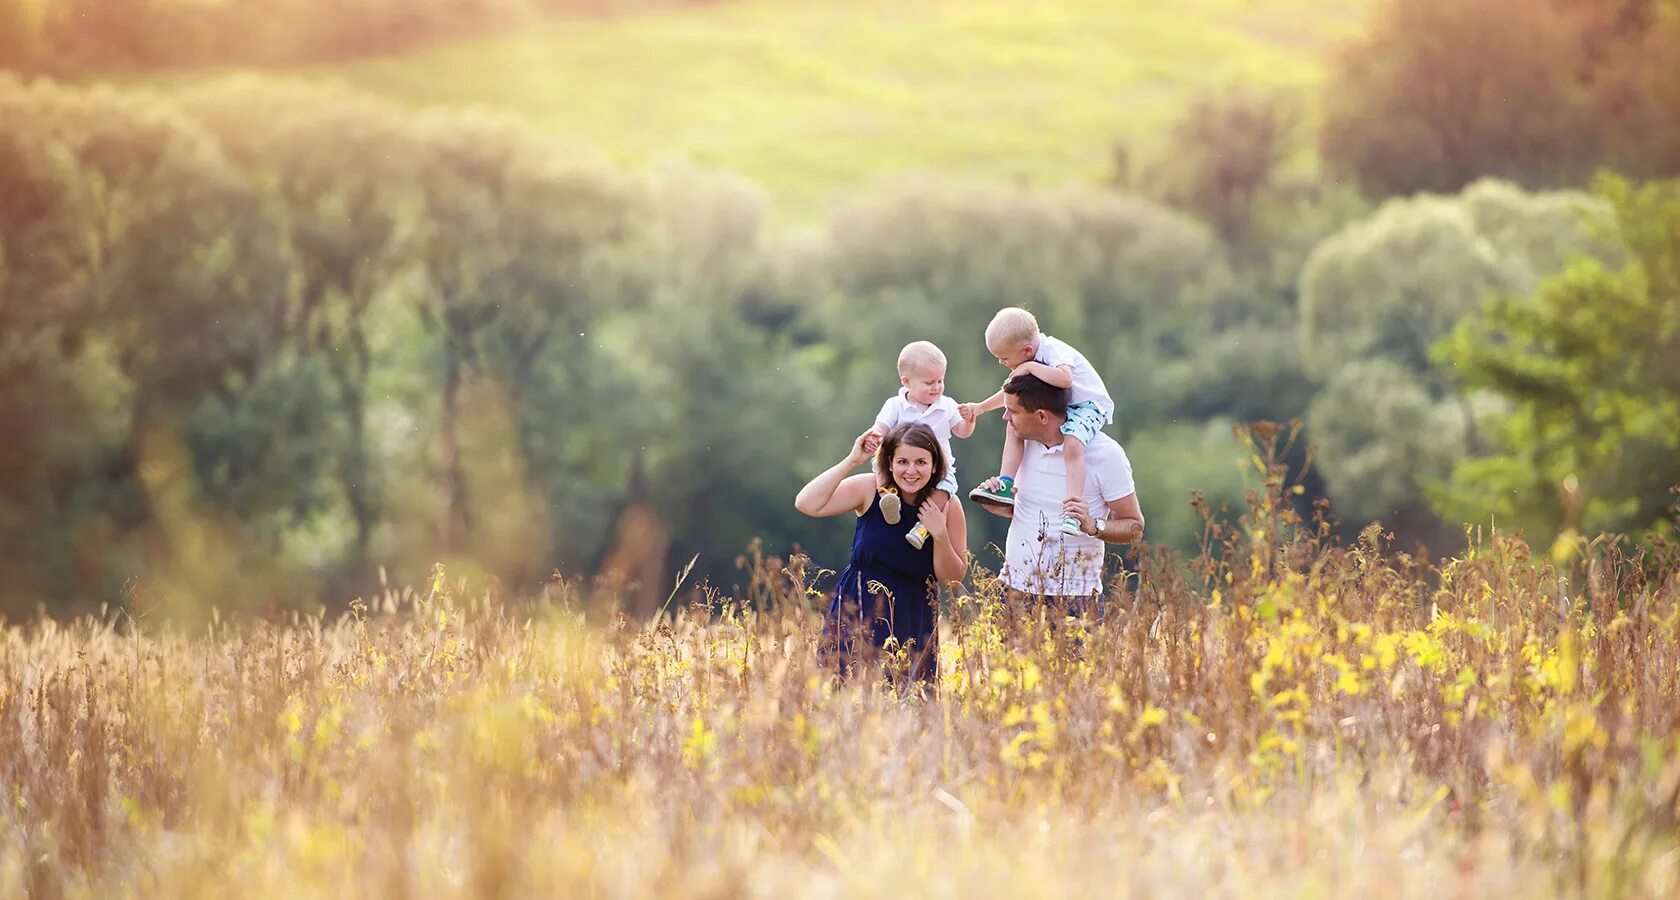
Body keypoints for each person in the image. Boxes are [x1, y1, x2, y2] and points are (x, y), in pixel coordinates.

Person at [795, 423, 969, 679]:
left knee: (906, 704)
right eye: (902, 462)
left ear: (934, 466)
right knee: (842, 697)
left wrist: (940, 534)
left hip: (912, 616)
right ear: (889, 463)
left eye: (921, 462)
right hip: (857, 610)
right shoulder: (870, 489)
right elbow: (807, 503)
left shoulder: (947, 505)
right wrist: (852, 460)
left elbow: (953, 580)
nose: (911, 471)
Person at [972, 373, 1142, 612]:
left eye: (1013, 411)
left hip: (1076, 599)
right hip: (1012, 592)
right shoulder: (1020, 446)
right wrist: (999, 504)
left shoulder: (1106, 454)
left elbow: (1134, 527)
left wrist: (1093, 525)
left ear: (1041, 416)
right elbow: (1031, 512)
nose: (1005, 416)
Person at [959, 307, 1115, 537]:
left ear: (1027, 350)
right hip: (1061, 406)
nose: (1002, 363)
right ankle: (1005, 484)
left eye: (1004, 358)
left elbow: (1065, 379)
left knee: (1072, 444)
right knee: (1013, 425)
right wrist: (980, 408)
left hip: (1088, 406)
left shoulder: (1053, 352)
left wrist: (1030, 367)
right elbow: (1010, 394)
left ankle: (1072, 510)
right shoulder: (1029, 358)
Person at [866, 341, 975, 549]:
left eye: (941, 380)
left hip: (938, 466)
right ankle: (888, 499)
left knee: (944, 490)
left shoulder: (947, 405)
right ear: (907, 382)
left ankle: (923, 528)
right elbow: (880, 426)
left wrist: (969, 420)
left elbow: (962, 432)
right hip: (900, 463)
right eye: (929, 383)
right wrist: (875, 436)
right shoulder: (896, 405)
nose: (937, 387)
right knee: (878, 463)